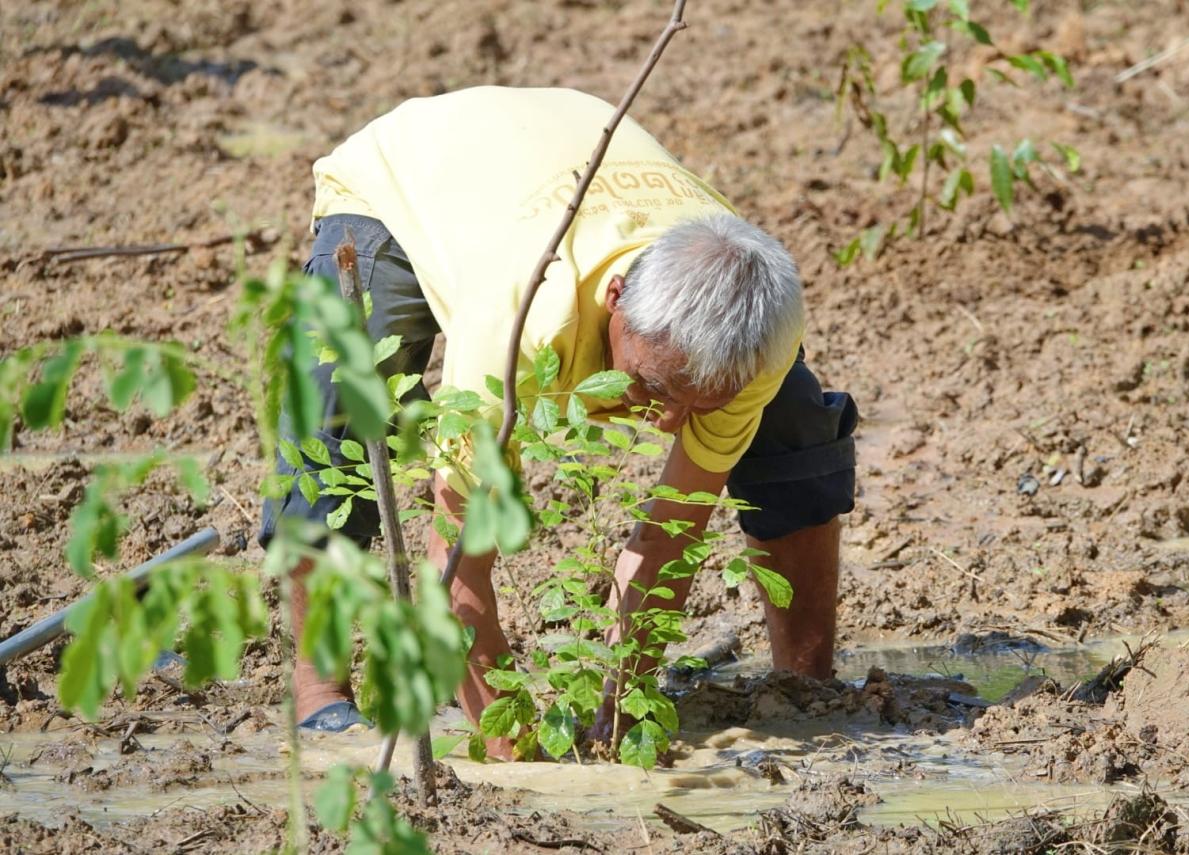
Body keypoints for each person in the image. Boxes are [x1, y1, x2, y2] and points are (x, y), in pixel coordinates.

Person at [259, 87, 857, 748]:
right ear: (616, 297)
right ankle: (319, 688)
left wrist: (624, 702)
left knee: (792, 419)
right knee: (334, 407)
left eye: (698, 404)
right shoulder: (520, 320)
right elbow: (454, 562)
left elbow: (669, 536)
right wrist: (513, 743)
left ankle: (807, 681)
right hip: (405, 176)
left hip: (571, 138)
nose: (666, 425)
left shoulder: (760, 326)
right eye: (651, 388)